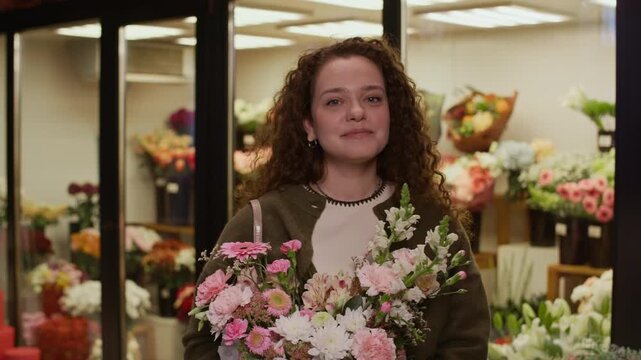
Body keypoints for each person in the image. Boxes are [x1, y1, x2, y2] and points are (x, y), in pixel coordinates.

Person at [183, 37, 490, 359]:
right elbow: (202, 344)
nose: (357, 112)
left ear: (392, 115)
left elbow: (467, 342)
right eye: (334, 102)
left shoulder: (432, 224)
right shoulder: (261, 220)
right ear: (309, 125)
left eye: (372, 98)